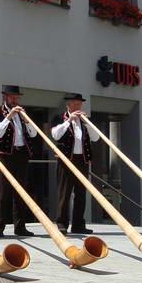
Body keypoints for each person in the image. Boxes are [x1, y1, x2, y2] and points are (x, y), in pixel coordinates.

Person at [0, 85, 37, 237]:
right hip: (5, 155)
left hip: (21, 154)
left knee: (21, 192)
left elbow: (34, 133)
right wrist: (9, 116)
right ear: (5, 97)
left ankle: (20, 227)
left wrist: (26, 120)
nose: (15, 100)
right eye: (12, 97)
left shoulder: (23, 113)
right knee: (2, 193)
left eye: (17, 97)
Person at [51, 93, 100, 235]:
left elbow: (96, 138)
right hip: (66, 160)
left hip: (82, 160)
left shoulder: (85, 120)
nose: (78, 106)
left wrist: (87, 124)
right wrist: (68, 121)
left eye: (79, 104)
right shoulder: (59, 118)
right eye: (75, 104)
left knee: (81, 194)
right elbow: (55, 135)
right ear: (68, 104)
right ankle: (61, 223)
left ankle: (78, 224)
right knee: (64, 193)